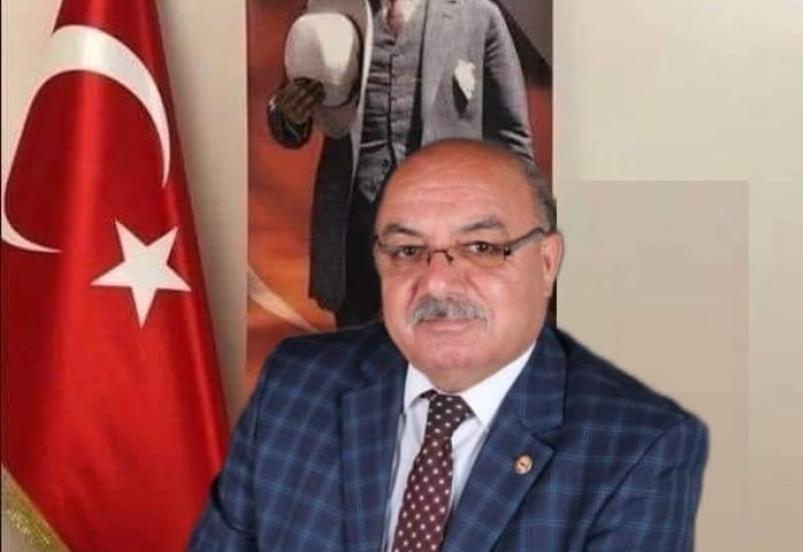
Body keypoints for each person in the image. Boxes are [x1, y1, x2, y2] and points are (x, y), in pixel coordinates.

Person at [190, 139, 708, 551]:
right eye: (407, 250)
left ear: (547, 263)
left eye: (481, 247)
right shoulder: (297, 384)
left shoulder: (639, 447)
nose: (437, 283)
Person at [268, 0, 534, 327]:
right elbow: (286, 118)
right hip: (356, 234)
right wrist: (289, 114)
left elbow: (511, 137)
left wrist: (520, 235)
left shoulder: (478, 15)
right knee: (361, 346)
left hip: (446, 235)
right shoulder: (330, 12)